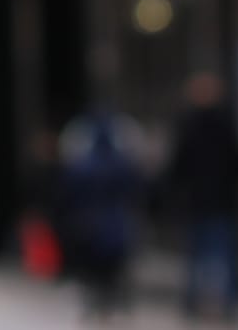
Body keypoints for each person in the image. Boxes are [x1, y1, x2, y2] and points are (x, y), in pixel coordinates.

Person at [162, 72, 238, 321]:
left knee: (201, 254)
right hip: (219, 200)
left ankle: (196, 301)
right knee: (220, 254)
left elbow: (178, 165)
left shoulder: (191, 125)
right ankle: (224, 302)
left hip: (202, 200)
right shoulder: (223, 123)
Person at [59, 110, 144, 321]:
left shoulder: (83, 166)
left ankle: (95, 303)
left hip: (90, 225)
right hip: (116, 225)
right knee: (113, 270)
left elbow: (69, 193)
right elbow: (136, 188)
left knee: (93, 269)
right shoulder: (121, 164)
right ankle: (109, 304)